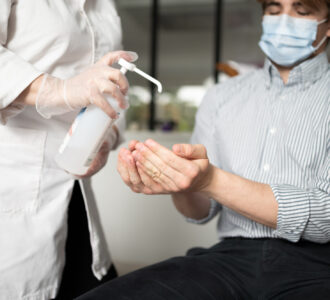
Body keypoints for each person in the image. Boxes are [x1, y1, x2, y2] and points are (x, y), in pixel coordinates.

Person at [77, 0, 330, 299]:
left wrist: (211, 180)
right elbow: (200, 211)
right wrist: (178, 180)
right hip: (230, 259)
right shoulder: (221, 98)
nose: (284, 21)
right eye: (274, 11)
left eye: (302, 12)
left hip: (318, 263)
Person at [0, 1, 137, 299]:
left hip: (75, 189)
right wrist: (58, 90)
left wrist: (107, 134)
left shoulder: (106, 7)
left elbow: (112, 86)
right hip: (12, 181)